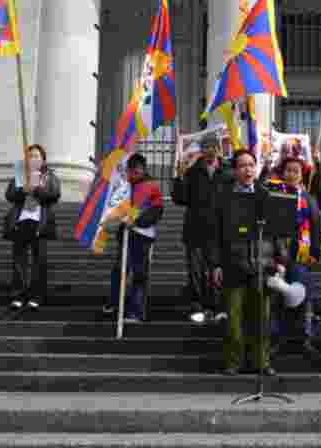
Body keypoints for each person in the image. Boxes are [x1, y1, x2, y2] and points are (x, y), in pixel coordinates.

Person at [213, 149, 279, 376]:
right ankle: (234, 362)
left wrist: (279, 260)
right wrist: (216, 265)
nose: (248, 169)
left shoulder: (265, 195)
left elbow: (276, 232)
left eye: (251, 165)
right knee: (234, 319)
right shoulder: (224, 197)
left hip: (262, 264)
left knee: (262, 318)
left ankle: (262, 362)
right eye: (243, 165)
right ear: (235, 169)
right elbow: (216, 235)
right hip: (233, 265)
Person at [266, 155, 321, 358]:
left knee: (304, 297)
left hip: (301, 253)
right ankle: (277, 339)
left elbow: (317, 225)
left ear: (301, 175)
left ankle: (305, 338)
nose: (291, 174)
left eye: (295, 171)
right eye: (288, 170)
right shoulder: (274, 194)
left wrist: (316, 252)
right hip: (279, 254)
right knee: (278, 298)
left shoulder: (308, 198)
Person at [172, 132, 231, 324]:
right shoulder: (192, 171)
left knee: (217, 271)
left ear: (218, 149)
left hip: (220, 232)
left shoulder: (228, 172)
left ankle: (217, 307)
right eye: (205, 147)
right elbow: (180, 198)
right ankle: (198, 306)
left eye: (213, 147)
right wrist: (179, 177)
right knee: (196, 272)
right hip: (195, 230)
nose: (209, 151)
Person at [103, 153, 164, 323]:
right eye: (132, 172)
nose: (134, 175)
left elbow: (157, 211)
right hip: (126, 234)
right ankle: (115, 302)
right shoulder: (126, 187)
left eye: (138, 172)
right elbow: (116, 206)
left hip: (143, 236)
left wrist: (137, 221)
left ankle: (136, 311)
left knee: (139, 274)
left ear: (143, 170)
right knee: (119, 270)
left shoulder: (151, 187)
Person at [2, 144, 61, 310]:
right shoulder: (20, 175)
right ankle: (18, 295)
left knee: (39, 261)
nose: (33, 158)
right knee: (18, 261)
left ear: (43, 159)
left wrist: (36, 190)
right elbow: (9, 195)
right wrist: (23, 190)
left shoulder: (49, 176)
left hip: (40, 223)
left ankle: (36, 295)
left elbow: (55, 194)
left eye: (36, 155)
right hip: (21, 221)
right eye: (30, 156)